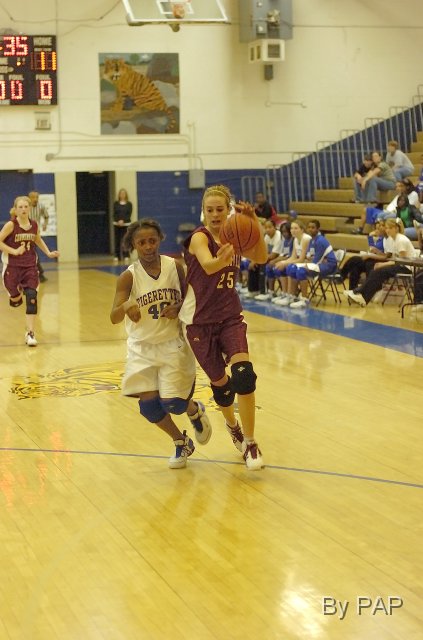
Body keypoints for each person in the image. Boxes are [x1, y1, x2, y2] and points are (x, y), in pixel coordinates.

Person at [110, 218, 212, 469]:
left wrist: (179, 307)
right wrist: (126, 306)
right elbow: (113, 317)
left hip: (171, 343)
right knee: (149, 407)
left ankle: (193, 409)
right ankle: (181, 442)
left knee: (173, 404)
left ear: (159, 241)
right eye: (142, 242)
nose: (148, 246)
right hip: (141, 347)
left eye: (152, 241)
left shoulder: (174, 267)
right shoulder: (128, 277)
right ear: (133, 245)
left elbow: (192, 298)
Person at [179, 185, 267, 470]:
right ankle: (233, 426)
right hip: (199, 323)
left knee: (244, 376)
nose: (215, 214)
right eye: (210, 210)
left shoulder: (236, 234)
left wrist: (253, 222)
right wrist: (227, 253)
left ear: (229, 210)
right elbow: (209, 265)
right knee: (222, 386)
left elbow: (262, 257)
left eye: (220, 209)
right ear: (203, 211)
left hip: (229, 317)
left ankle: (250, 442)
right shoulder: (199, 237)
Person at [0, 195, 59, 346]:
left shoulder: (34, 224)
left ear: (30, 208)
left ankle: (30, 333)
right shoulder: (11, 225)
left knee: (32, 297)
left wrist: (48, 253)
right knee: (15, 300)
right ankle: (15, 296)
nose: (23, 209)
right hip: (12, 266)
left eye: (26, 206)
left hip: (30, 266)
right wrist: (14, 251)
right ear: (15, 209)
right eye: (20, 207)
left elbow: (37, 239)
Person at [346, 218, 415, 307]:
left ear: (396, 228)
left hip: (407, 267)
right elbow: (393, 258)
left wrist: (383, 264)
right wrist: (382, 263)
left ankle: (358, 292)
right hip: (399, 265)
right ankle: (362, 296)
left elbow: (403, 260)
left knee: (380, 271)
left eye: (390, 228)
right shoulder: (392, 239)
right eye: (387, 228)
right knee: (375, 271)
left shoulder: (401, 240)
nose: (387, 230)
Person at [284, 220, 337, 309]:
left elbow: (316, 260)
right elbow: (309, 256)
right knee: (291, 268)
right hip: (320, 263)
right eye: (309, 227)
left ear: (318, 229)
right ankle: (292, 296)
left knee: (301, 270)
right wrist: (307, 261)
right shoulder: (312, 240)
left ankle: (304, 300)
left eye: (313, 227)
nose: (310, 229)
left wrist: (306, 263)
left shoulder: (320, 240)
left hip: (329, 266)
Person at [354, 178, 420, 234]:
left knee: (383, 216)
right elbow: (392, 205)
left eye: (401, 186)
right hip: (387, 211)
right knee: (366, 209)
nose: (399, 188)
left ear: (407, 187)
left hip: (397, 213)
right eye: (399, 186)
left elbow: (406, 208)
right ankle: (360, 229)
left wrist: (391, 211)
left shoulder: (413, 194)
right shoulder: (400, 195)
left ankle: (379, 233)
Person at [272, 220, 311, 306]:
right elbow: (293, 256)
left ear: (302, 230)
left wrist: (285, 264)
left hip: (308, 263)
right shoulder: (296, 239)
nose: (293, 230)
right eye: (292, 228)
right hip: (301, 262)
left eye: (296, 228)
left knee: (290, 267)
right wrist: (282, 262)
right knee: (278, 267)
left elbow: (301, 259)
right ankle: (286, 294)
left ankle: (294, 296)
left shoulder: (306, 239)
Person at [341, 220, 388, 291]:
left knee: (355, 260)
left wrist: (370, 255)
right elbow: (372, 248)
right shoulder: (381, 238)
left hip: (379, 260)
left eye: (381, 226)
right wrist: (370, 236)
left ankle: (341, 275)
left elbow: (385, 255)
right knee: (355, 267)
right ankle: (352, 290)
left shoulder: (386, 239)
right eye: (377, 228)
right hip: (374, 257)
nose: (378, 229)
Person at [28, 191, 49, 282]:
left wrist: (45, 224)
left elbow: (46, 216)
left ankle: (39, 273)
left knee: (33, 253)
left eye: (37, 197)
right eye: (33, 197)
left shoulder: (41, 206)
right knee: (30, 253)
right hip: (25, 233)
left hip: (35, 234)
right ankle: (38, 273)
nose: (35, 199)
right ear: (29, 198)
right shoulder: (26, 207)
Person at [113, 188, 133, 263]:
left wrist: (123, 220)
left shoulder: (129, 204)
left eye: (124, 193)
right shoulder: (116, 204)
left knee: (126, 240)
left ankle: (126, 255)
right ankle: (117, 255)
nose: (122, 195)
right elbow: (114, 214)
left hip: (126, 224)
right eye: (121, 193)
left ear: (126, 195)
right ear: (119, 195)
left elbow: (129, 214)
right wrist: (118, 220)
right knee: (117, 240)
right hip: (117, 224)